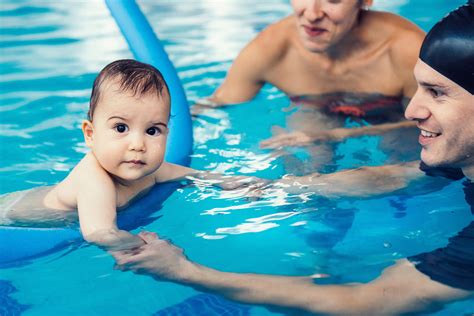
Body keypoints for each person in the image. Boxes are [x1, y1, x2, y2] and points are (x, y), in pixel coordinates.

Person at [113, 3, 474, 314]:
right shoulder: (460, 156)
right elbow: (403, 175)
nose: (412, 110)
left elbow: (367, 304)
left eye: (437, 93)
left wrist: (184, 271)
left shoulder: (401, 46)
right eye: (419, 88)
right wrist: (273, 188)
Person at [0, 59, 263, 251]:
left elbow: (191, 174)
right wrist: (142, 246)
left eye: (152, 130)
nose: (138, 144)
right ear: (90, 134)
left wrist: (229, 182)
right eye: (121, 128)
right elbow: (100, 233)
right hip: (13, 212)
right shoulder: (95, 181)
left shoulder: (145, 167)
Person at [194, 0, 425, 148]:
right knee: (303, 153)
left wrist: (337, 135)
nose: (312, 14)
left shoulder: (406, 50)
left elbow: (435, 124)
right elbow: (214, 105)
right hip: (315, 109)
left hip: (394, 117)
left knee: (399, 150)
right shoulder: (271, 48)